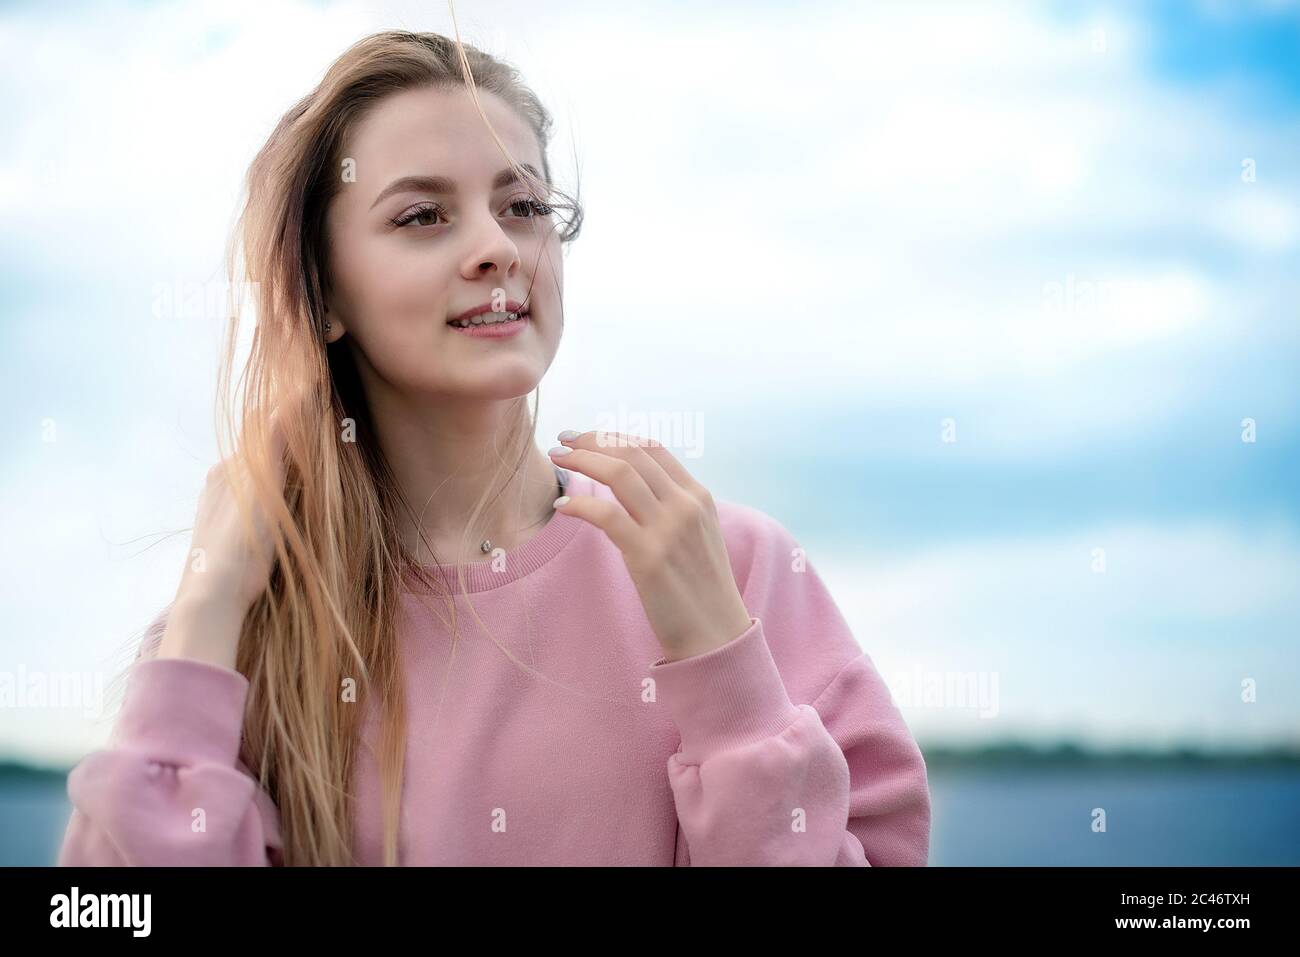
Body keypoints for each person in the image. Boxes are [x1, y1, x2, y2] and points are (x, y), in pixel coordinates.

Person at [57, 29, 930, 866]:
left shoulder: (735, 569)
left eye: (522, 207)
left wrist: (726, 677)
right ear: (324, 296)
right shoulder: (244, 628)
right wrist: (211, 604)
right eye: (424, 215)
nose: (495, 249)